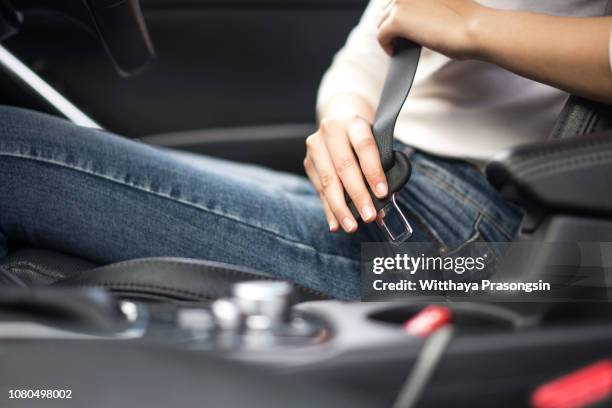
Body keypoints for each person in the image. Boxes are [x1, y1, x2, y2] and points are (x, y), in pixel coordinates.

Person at [1, 0, 611, 299]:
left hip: (485, 235)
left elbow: (445, 19)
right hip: (398, 181)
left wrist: (474, 26)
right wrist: (343, 122)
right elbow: (365, 54)